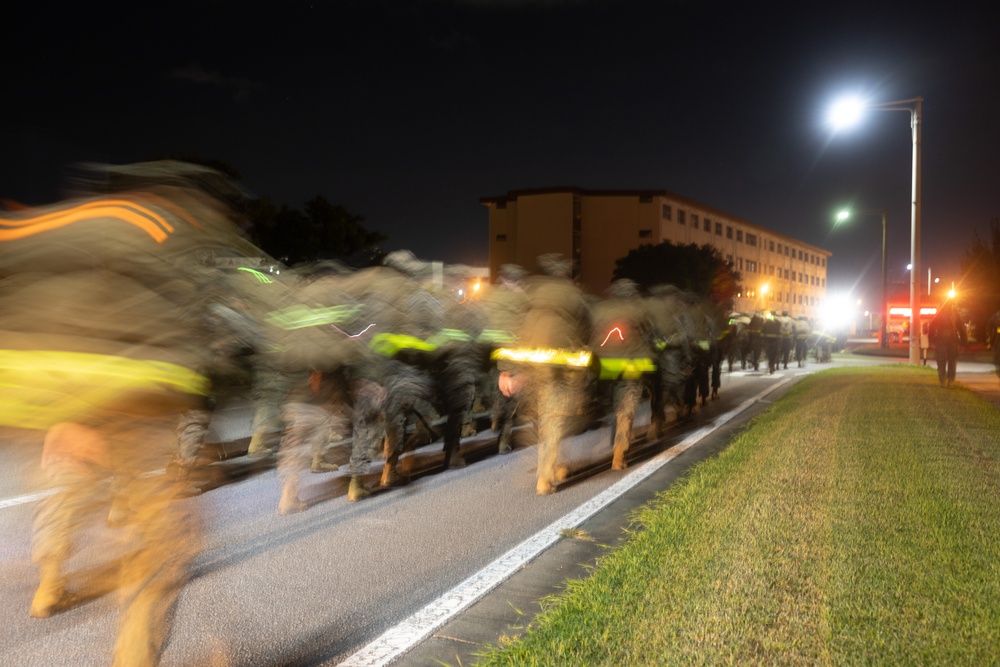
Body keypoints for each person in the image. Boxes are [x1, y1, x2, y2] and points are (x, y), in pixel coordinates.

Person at [928, 301, 966, 387]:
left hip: (946, 340)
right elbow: (961, 328)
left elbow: (931, 326)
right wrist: (964, 342)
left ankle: (945, 380)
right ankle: (948, 380)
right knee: (948, 361)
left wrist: (931, 340)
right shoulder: (952, 314)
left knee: (944, 361)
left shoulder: (943, 314)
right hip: (946, 340)